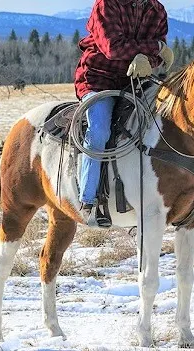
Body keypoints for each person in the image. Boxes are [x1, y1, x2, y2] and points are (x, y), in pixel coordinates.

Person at [74, 0, 174, 227]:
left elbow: (159, 57)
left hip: (135, 81)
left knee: (160, 123)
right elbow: (112, 48)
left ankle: (151, 192)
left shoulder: (156, 10)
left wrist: (149, 59)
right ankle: (88, 199)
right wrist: (154, 48)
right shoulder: (107, 4)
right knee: (99, 129)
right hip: (99, 79)